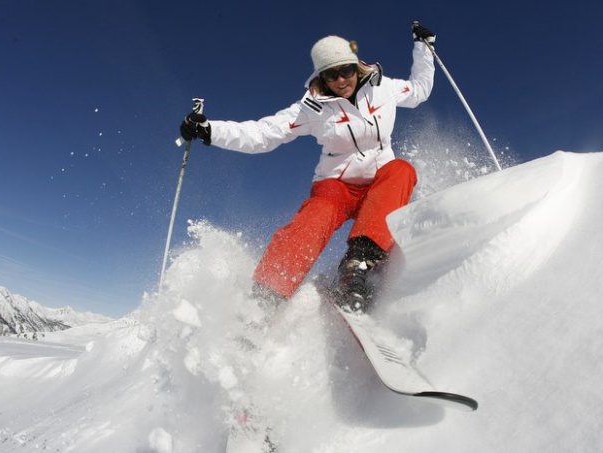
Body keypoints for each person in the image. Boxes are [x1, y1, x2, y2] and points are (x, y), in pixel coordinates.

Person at [179, 23, 436, 314]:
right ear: (321, 77)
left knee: (401, 170)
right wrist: (210, 130)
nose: (340, 80)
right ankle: (264, 301)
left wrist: (423, 48)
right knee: (315, 216)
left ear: (356, 66)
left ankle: (358, 264)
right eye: (330, 74)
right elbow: (265, 133)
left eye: (345, 70)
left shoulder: (384, 89)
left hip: (379, 183)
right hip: (336, 186)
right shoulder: (312, 108)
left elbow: (420, 90)